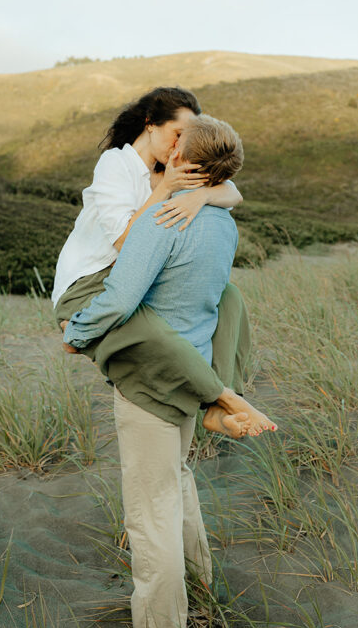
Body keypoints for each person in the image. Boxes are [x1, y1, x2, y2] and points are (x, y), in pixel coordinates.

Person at [61, 116, 277, 628]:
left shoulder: (161, 219)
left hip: (152, 378)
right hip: (193, 367)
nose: (168, 145)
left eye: (178, 143)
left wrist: (77, 333)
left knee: (148, 510)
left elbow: (119, 298)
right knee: (176, 484)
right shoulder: (222, 221)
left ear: (185, 162)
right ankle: (198, 592)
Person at [52, 86, 273, 436]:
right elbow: (126, 242)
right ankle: (222, 397)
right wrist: (165, 190)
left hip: (136, 275)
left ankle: (219, 404)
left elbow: (234, 192)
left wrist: (200, 196)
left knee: (228, 298)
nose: (180, 145)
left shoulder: (169, 168)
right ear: (151, 124)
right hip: (91, 280)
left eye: (187, 137)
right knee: (141, 319)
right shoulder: (116, 164)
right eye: (177, 134)